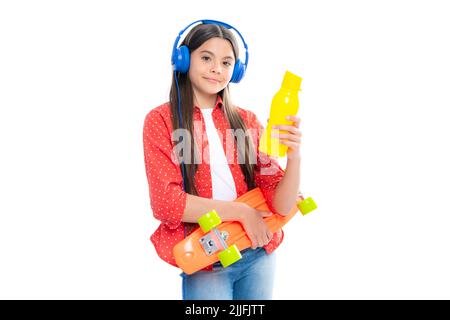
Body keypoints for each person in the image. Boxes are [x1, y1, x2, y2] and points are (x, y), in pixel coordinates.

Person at [142, 20, 302, 300]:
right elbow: (167, 203)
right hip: (206, 260)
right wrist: (241, 212)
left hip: (258, 253)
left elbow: (282, 204)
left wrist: (294, 156)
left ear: (236, 71)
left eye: (227, 62)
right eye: (206, 58)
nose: (217, 68)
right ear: (182, 59)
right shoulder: (161, 120)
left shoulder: (248, 122)